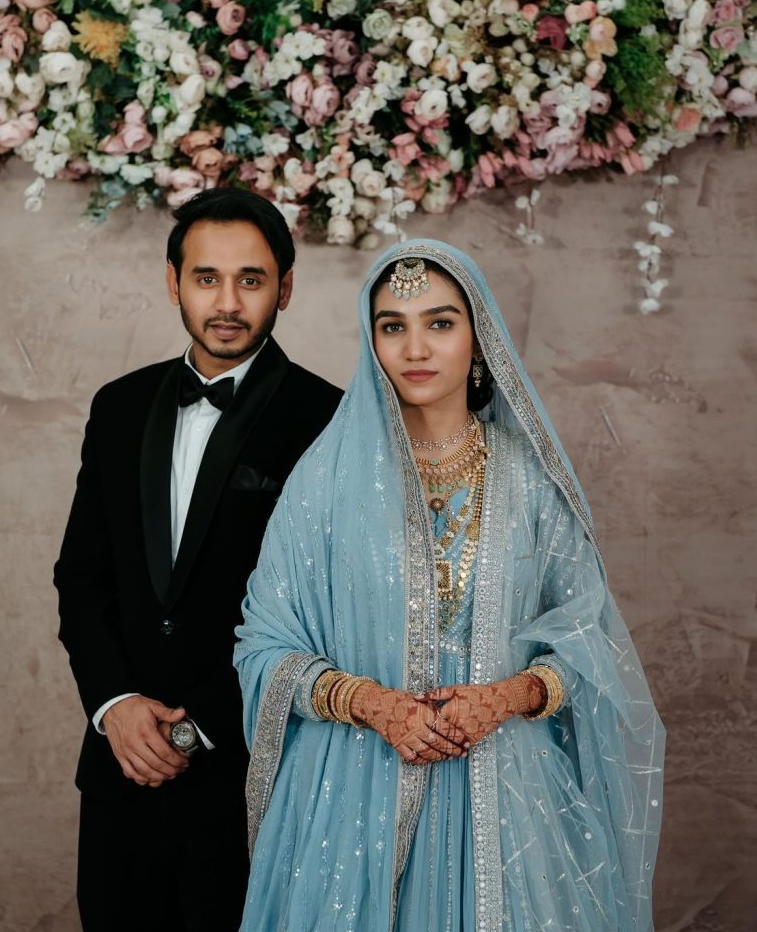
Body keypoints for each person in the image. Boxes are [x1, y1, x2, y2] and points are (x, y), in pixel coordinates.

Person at [234, 240, 664, 931]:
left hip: (509, 801)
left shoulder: (529, 482)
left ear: (478, 334)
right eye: (392, 326)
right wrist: (371, 703)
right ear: (370, 339)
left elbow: (590, 640)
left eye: (439, 322)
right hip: (351, 797)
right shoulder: (326, 479)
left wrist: (508, 695)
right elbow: (262, 644)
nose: (415, 348)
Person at [53, 189, 342, 931]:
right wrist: (114, 708)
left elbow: (330, 612)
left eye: (250, 279)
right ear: (172, 281)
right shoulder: (117, 406)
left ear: (285, 285)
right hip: (119, 773)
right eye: (205, 277)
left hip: (254, 777)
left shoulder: (332, 420)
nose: (226, 301)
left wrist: (191, 731)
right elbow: (82, 576)